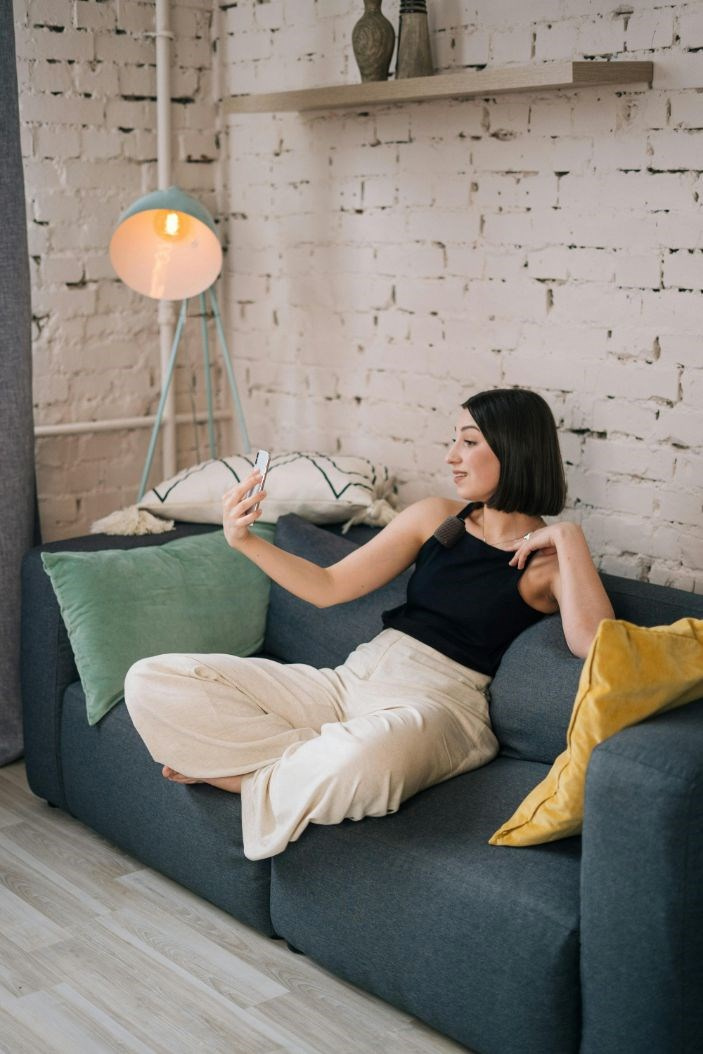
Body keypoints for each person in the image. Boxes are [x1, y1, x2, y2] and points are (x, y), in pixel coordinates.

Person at [124, 387, 614, 860]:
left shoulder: (547, 562)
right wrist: (244, 541)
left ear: (514, 450)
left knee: (363, 759)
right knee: (151, 678)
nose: (451, 456)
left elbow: (595, 642)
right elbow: (328, 585)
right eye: (454, 440)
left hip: (437, 707)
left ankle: (238, 776)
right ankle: (300, 769)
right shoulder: (437, 518)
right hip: (349, 682)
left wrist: (569, 537)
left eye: (468, 442)